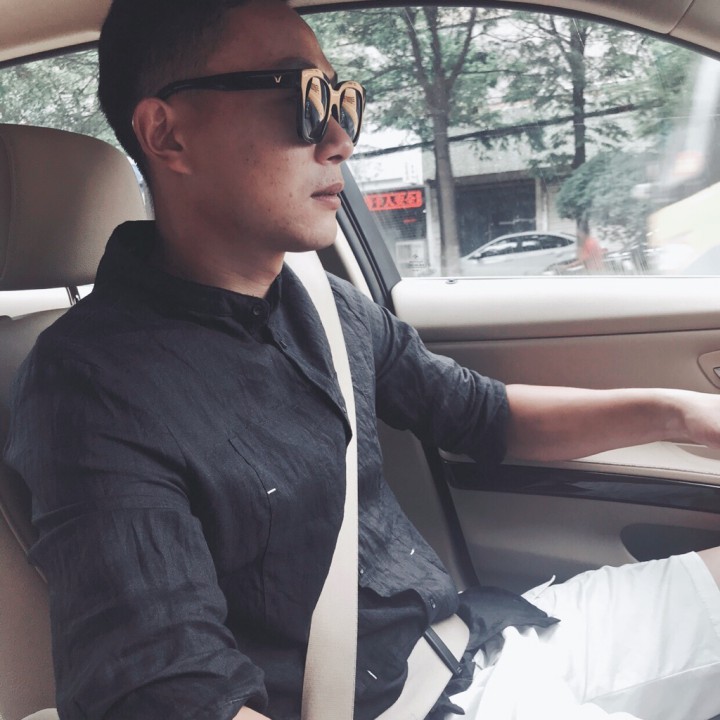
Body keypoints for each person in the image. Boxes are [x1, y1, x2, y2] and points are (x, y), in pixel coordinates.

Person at [3, 1, 720, 718]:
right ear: (169, 133)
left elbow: (480, 414)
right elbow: (166, 692)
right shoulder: (91, 387)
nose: (342, 138)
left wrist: (678, 413)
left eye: (342, 98)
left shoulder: (324, 300)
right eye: (302, 97)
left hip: (482, 642)